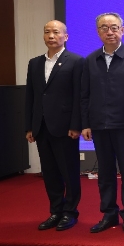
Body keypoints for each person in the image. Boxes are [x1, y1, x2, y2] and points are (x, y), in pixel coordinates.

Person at [81, 12, 124, 234]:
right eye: (104, 28)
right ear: (98, 31)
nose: (109, 32)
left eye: (114, 27)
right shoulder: (91, 60)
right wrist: (85, 123)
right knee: (105, 173)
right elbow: (84, 95)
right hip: (99, 125)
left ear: (122, 30)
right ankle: (108, 214)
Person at [25, 20, 84, 231]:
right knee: (49, 173)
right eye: (47, 32)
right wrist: (29, 126)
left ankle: (70, 212)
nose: (51, 36)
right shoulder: (34, 63)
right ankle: (56, 211)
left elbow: (79, 96)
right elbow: (30, 96)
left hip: (65, 127)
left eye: (56, 32)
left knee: (69, 172)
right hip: (41, 127)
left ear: (65, 37)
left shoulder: (76, 61)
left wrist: (76, 125)